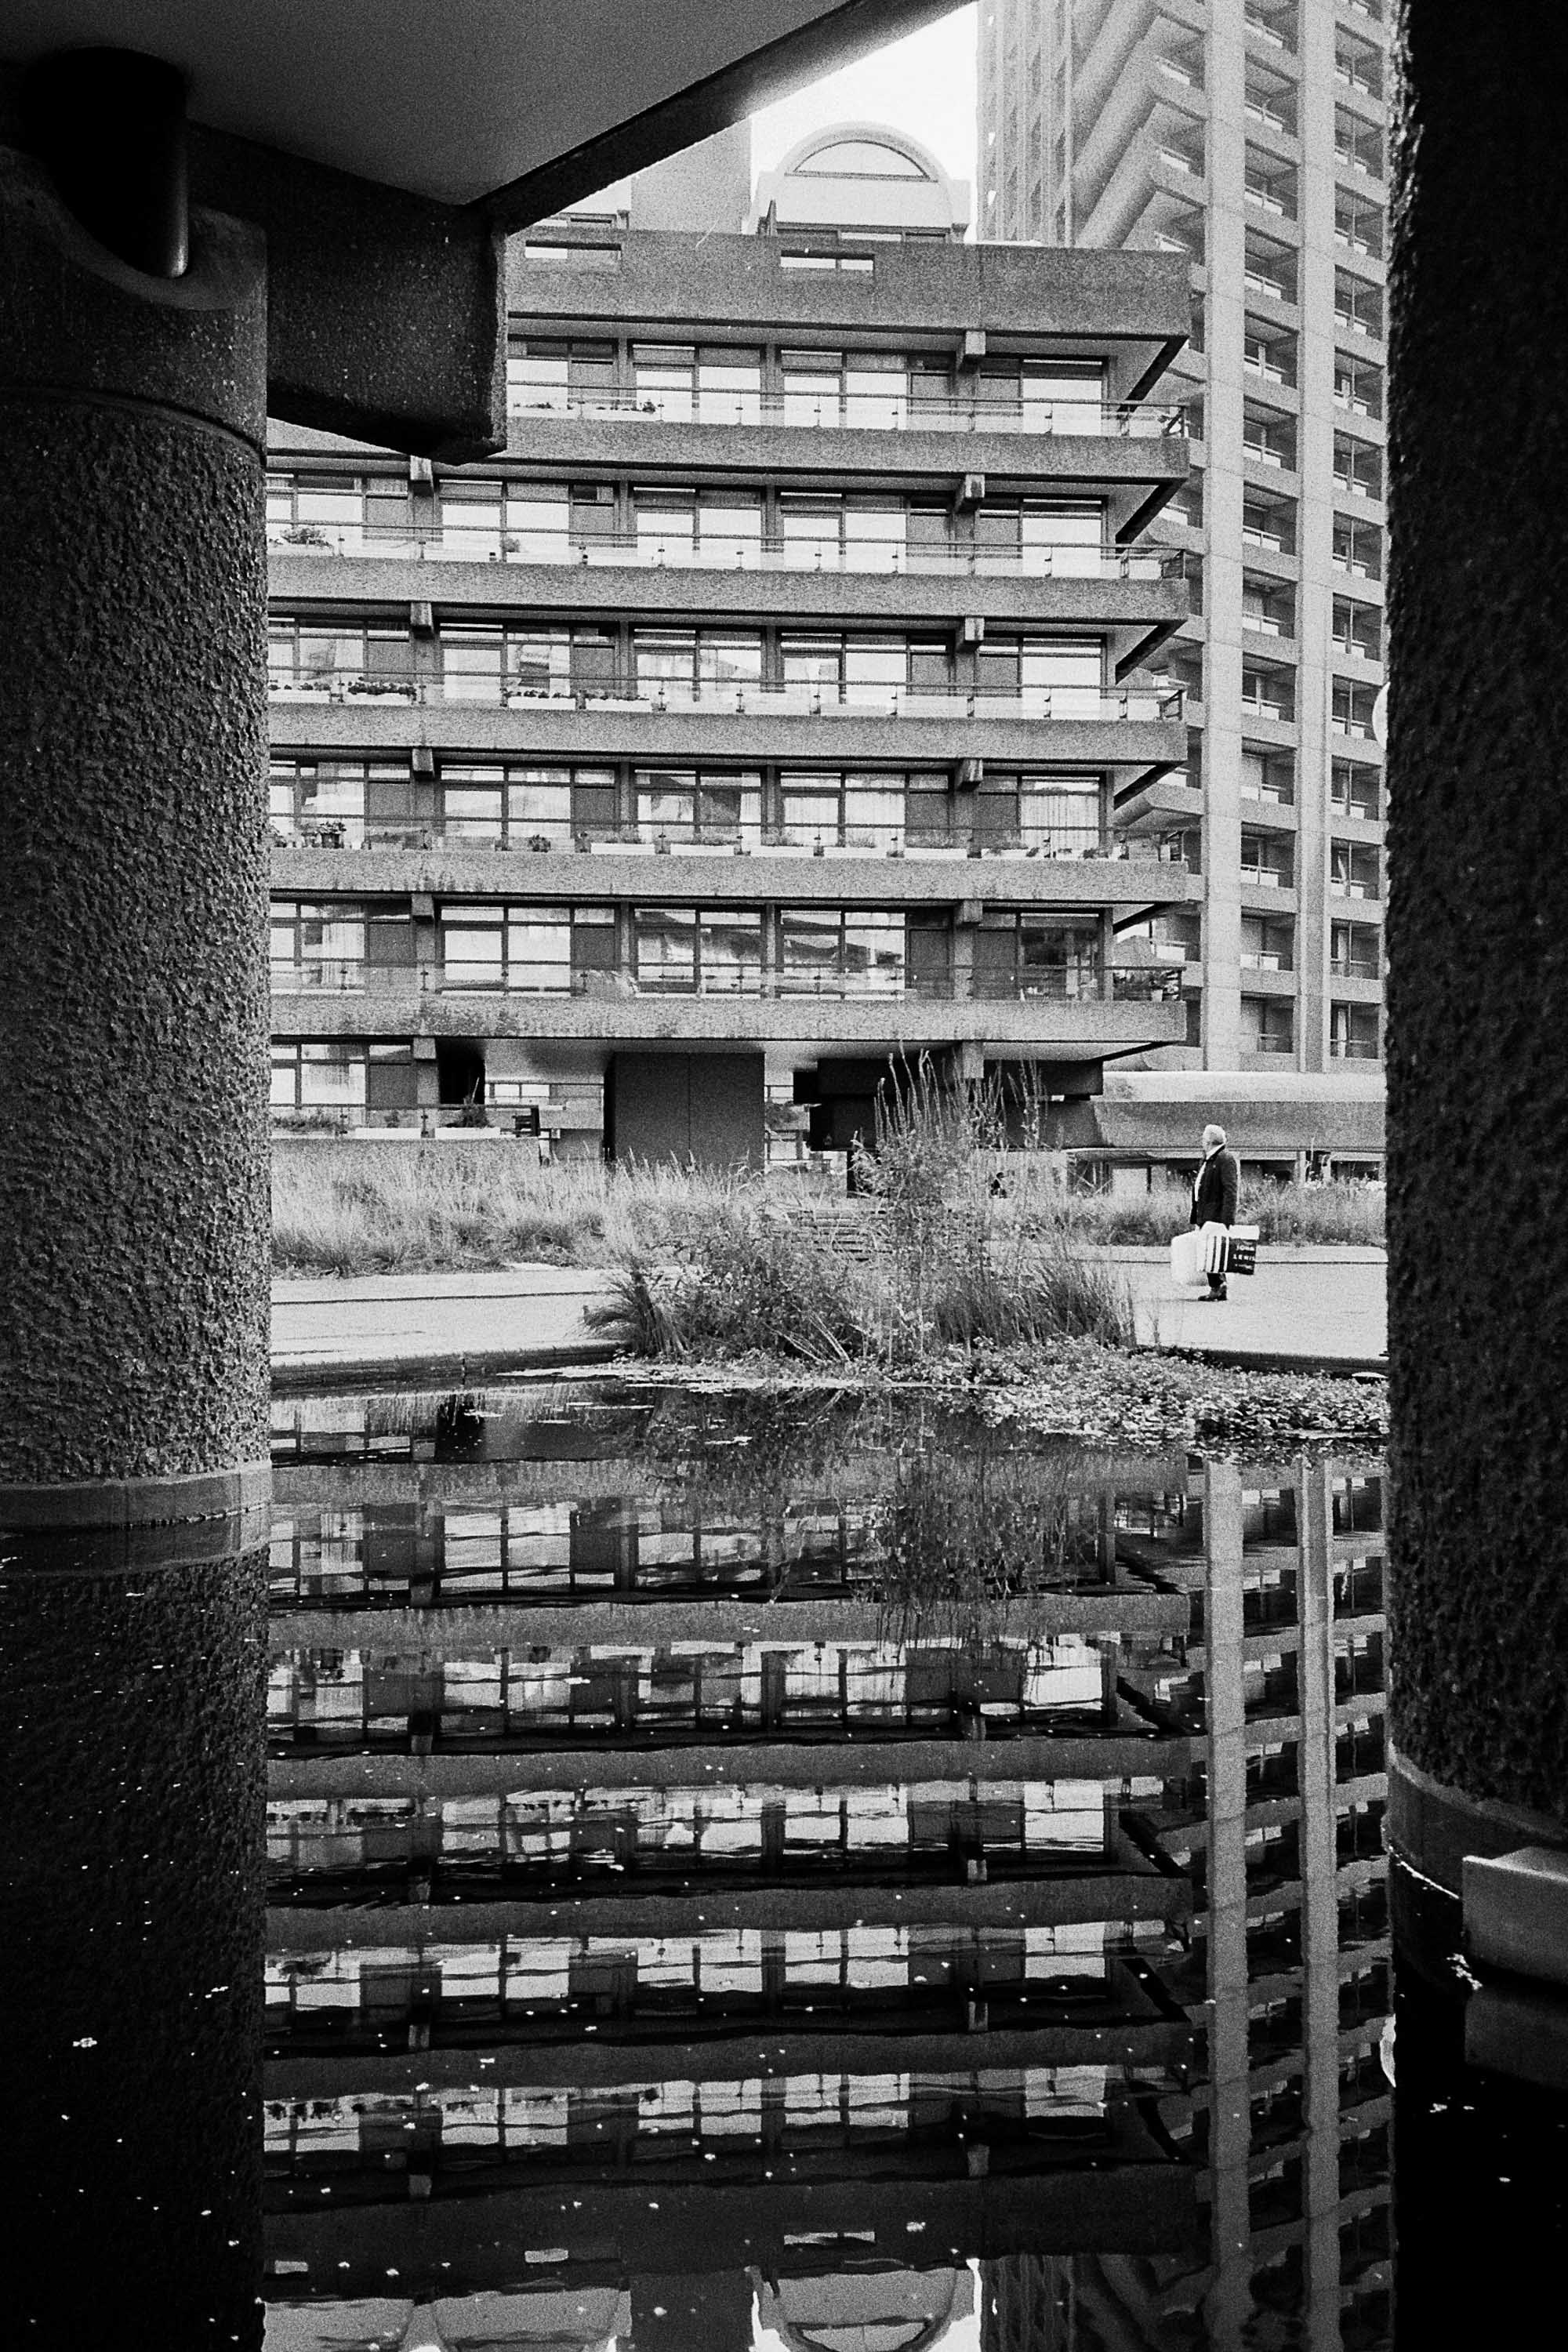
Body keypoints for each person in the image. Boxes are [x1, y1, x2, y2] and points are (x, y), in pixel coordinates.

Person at [1191, 1123, 1240, 1301]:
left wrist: (1226, 1219)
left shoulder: (1224, 1159)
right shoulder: (1209, 1159)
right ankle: (1219, 1286)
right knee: (1209, 1250)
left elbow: (1230, 1191)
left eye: (1204, 1138)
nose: (1202, 1141)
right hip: (1205, 1213)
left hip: (1215, 1215)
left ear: (1210, 1141)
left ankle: (1218, 1286)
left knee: (1210, 1251)